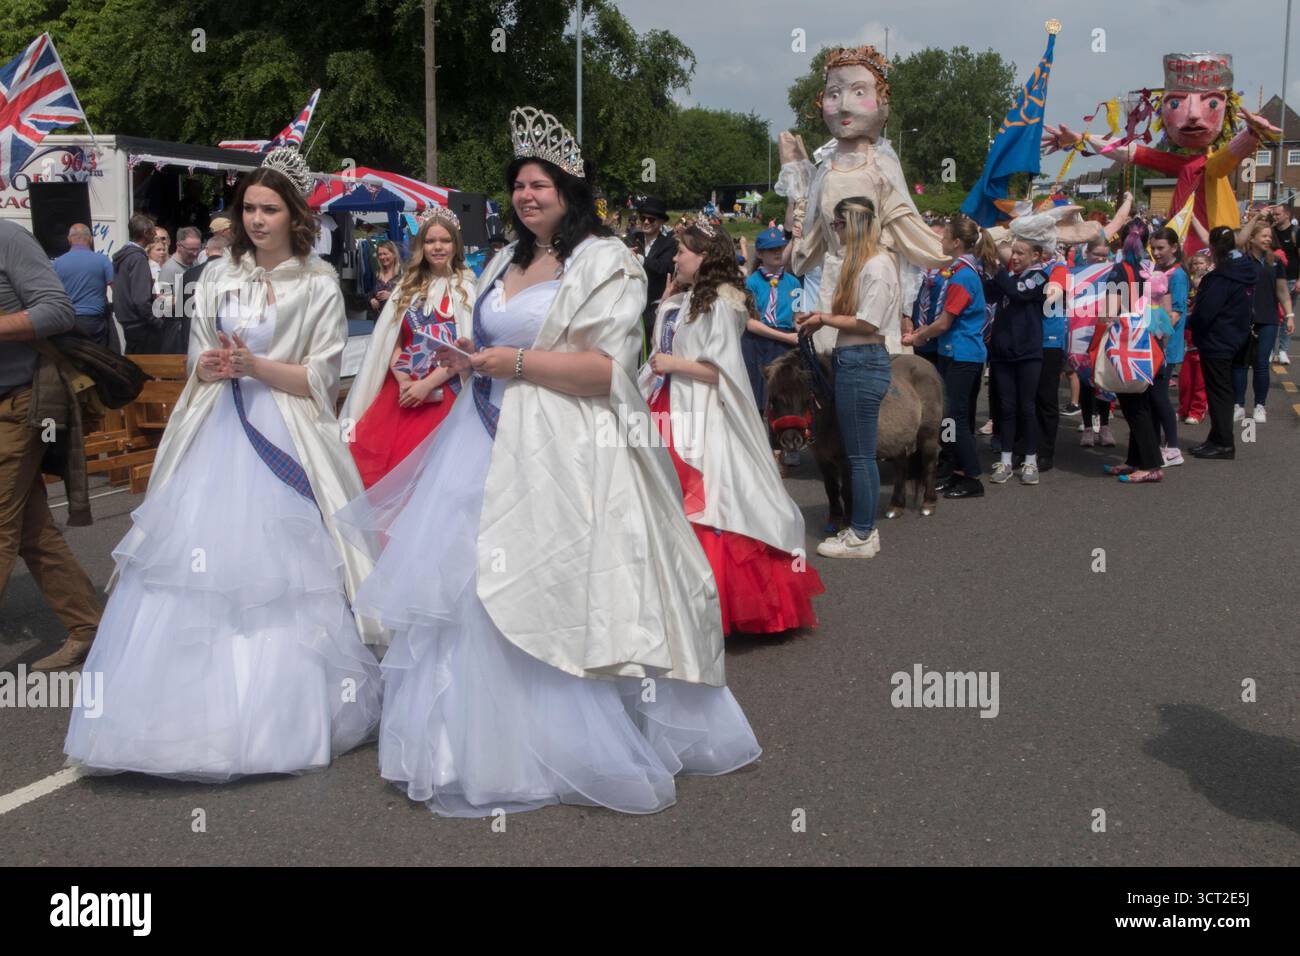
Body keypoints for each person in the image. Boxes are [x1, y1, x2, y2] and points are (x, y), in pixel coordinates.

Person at [335, 106, 761, 817]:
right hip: (478, 438)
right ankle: (469, 744)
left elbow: (606, 370)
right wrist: (473, 363)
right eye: (520, 185)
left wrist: (518, 361)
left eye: (543, 184)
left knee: (548, 582)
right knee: (468, 587)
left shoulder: (608, 262)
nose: (529, 195)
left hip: (564, 444)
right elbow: (491, 345)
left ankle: (563, 742)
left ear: (571, 188)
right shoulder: (504, 258)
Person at [64, 147, 383, 779]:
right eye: (250, 209)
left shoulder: (317, 281)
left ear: (296, 215)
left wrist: (255, 366)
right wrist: (210, 366)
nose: (258, 219)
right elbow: (198, 353)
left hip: (285, 430)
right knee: (190, 563)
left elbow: (321, 375)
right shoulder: (218, 274)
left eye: (271, 209)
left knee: (288, 573)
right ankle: (171, 720)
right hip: (215, 426)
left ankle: (281, 717)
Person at [640, 218, 823, 626]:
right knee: (662, 497)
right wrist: (665, 305)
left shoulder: (722, 304)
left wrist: (675, 363)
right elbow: (660, 350)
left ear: (704, 257)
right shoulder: (683, 300)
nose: (676, 258)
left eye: (683, 251)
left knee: (714, 501)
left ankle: (713, 603)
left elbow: (723, 373)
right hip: (669, 406)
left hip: (702, 410)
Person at [0, 220, 103, 672]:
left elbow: (58, 311)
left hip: (20, 403)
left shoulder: (7, 238)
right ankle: (88, 627)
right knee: (29, 527)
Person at [343, 206, 476, 487]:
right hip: (402, 391)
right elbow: (391, 340)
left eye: (445, 240)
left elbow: (466, 348)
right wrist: (404, 379)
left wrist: (427, 385)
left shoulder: (469, 288)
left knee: (436, 479)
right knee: (388, 476)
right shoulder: (407, 287)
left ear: (456, 244)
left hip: (449, 391)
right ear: (421, 245)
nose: (437, 247)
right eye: (430, 241)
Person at [796, 196, 898, 555]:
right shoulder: (867, 265)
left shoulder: (877, 265)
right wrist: (819, 317)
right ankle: (861, 530)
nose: (835, 231)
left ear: (852, 223)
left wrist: (823, 318)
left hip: (862, 360)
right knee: (858, 454)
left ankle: (862, 534)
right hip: (854, 359)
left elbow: (868, 322)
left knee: (859, 456)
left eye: (838, 224)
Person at [901, 215, 987, 499]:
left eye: (945, 236)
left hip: (962, 353)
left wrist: (917, 336)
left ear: (957, 242)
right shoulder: (958, 271)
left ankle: (972, 475)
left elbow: (945, 322)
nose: (940, 240)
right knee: (951, 416)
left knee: (954, 417)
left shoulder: (962, 275)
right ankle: (958, 471)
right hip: (955, 351)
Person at [1100, 222, 1166, 483]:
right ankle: (1134, 459)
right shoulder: (1150, 268)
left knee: (1133, 406)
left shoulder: (1120, 270)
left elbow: (1109, 312)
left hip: (1127, 342)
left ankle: (1150, 464)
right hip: (1150, 341)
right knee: (1141, 403)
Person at [985, 233, 1051, 486]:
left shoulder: (1039, 276)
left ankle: (1031, 461)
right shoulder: (1008, 278)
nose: (1014, 257)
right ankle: (1006, 459)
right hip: (1003, 354)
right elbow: (988, 293)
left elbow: (1019, 293)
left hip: (1028, 353)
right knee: (1006, 408)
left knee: (1027, 407)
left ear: (1035, 255)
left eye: (1020, 253)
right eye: (1013, 252)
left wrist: (999, 271)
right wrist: (986, 265)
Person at [1189, 226, 1256, 459]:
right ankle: (1217, 437)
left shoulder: (1219, 278)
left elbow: (1205, 312)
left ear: (1213, 248)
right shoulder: (1244, 269)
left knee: (1218, 393)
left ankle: (1224, 442)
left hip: (1218, 340)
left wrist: (1191, 323)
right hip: (1236, 336)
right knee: (1223, 391)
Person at [1232, 214, 1292, 423]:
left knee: (1260, 364)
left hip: (1268, 319)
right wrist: (1254, 219)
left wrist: (1290, 315)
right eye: (1264, 236)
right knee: (1239, 364)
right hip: (1242, 319)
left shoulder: (1275, 262)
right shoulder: (1240, 259)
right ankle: (1238, 404)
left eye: (1269, 236)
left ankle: (1260, 406)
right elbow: (1239, 241)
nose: (1268, 239)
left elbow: (1283, 291)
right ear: (1253, 238)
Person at [742, 226, 800, 413]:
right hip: (759, 341)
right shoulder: (751, 283)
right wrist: (787, 338)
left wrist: (800, 332)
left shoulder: (794, 282)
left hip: (786, 343)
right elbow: (750, 323)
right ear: (759, 253)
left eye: (780, 248)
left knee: (785, 396)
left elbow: (798, 316)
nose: (777, 252)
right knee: (757, 394)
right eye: (771, 249)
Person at [1149, 228, 1189, 465]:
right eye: (1153, 248)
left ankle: (1173, 447)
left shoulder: (1178, 275)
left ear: (1174, 247)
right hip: (1151, 344)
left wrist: (1158, 331)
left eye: (1161, 248)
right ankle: (1153, 443)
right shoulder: (1155, 269)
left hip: (1166, 345)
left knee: (1160, 397)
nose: (1156, 252)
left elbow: (1176, 311)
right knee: (1152, 397)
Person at [52, 223, 114, 347]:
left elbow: (50, 293)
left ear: (69, 239)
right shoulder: (103, 260)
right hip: (95, 322)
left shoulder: (57, 263)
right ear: (90, 239)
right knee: (99, 360)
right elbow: (116, 288)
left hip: (68, 322)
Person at [112, 214, 161, 354]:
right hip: (140, 324)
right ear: (145, 233)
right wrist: (155, 321)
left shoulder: (126, 256)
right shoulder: (137, 258)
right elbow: (140, 299)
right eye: (153, 231)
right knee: (145, 369)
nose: (155, 234)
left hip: (129, 321)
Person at [636, 196, 676, 344]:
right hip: (630, 304)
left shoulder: (669, 244)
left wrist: (640, 259)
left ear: (661, 222)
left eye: (651, 219)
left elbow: (665, 267)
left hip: (653, 305)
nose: (646, 222)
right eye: (643, 218)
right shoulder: (633, 238)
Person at [1179, 250, 1211, 423]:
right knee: (1185, 381)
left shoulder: (1211, 289)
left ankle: (1197, 411)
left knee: (1200, 382)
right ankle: (1184, 408)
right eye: (1195, 264)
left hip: (1203, 344)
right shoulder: (1188, 288)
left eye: (1202, 263)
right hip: (1188, 343)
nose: (1198, 266)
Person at [366, 240, 402, 322]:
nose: (382, 257)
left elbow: (411, 297)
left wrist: (392, 296)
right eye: (380, 255)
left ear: (394, 254)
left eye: (385, 254)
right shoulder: (377, 274)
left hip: (396, 322)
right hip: (379, 321)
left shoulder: (403, 274)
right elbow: (369, 294)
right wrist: (371, 300)